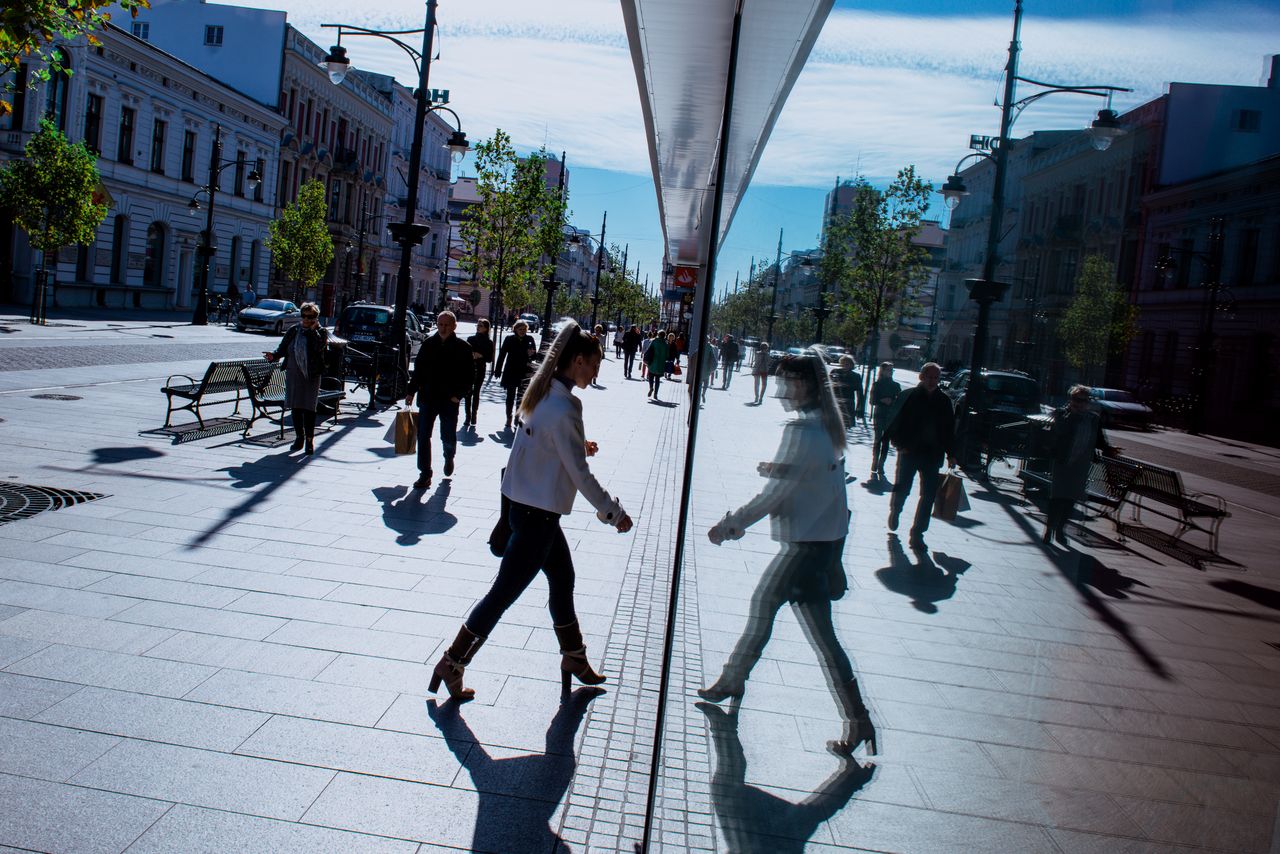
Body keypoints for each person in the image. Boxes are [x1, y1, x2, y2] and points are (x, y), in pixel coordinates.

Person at [429, 324, 635, 701]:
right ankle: (452, 662)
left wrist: (577, 446)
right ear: (577, 360)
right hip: (538, 518)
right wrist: (613, 512)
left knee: (563, 578)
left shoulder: (545, 395)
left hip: (527, 510)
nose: (596, 372)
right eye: (594, 363)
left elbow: (544, 447)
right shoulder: (564, 407)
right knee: (501, 595)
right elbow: (581, 476)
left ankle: (574, 657)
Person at [699, 350, 876, 757]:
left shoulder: (803, 433)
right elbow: (815, 486)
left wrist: (729, 526)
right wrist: (778, 469)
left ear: (805, 386)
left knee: (776, 614)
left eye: (787, 383)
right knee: (816, 636)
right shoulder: (828, 429)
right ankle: (856, 717)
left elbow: (774, 496)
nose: (781, 391)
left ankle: (733, 680)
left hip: (803, 551)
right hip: (820, 548)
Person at [883, 362, 955, 550]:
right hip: (909, 452)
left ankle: (917, 534)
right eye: (929, 377)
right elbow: (893, 422)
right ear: (921, 377)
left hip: (932, 455)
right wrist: (899, 445)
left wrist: (951, 454)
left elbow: (949, 430)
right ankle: (896, 510)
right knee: (903, 487)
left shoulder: (944, 401)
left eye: (935, 378)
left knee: (928, 495)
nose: (932, 381)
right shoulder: (908, 396)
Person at [406, 311, 473, 490]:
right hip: (428, 397)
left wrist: (458, 395)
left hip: (449, 400)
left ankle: (449, 456)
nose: (443, 328)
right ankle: (425, 473)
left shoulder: (463, 347)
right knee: (423, 435)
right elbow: (418, 369)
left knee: (448, 435)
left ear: (454, 326)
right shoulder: (428, 344)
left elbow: (469, 376)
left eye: (446, 325)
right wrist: (411, 391)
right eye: (440, 324)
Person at [1045, 384, 1114, 546]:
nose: (1080, 403)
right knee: (1057, 497)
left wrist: (1109, 448)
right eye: (1076, 399)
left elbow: (1099, 440)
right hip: (1062, 462)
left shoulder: (1093, 419)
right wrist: (1072, 416)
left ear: (1088, 402)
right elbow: (1057, 433)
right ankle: (1049, 529)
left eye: (1083, 400)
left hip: (1080, 465)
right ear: (1070, 400)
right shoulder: (1062, 414)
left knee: (1070, 499)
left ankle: (1060, 530)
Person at [263, 301, 327, 455]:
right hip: (294, 373)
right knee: (296, 407)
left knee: (309, 408)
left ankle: (310, 440)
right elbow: (282, 349)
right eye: (303, 315)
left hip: (311, 375)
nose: (306, 319)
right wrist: (273, 356)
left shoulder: (321, 332)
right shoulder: (293, 330)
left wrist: (312, 331)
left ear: (315, 317)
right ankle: (299, 437)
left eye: (309, 316)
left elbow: (318, 349)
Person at [495, 319, 538, 430]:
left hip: (524, 372)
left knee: (521, 397)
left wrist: (531, 354)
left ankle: (517, 417)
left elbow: (534, 356)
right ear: (515, 329)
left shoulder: (529, 339)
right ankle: (508, 417)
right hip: (511, 371)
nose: (522, 331)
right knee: (510, 396)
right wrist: (498, 369)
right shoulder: (509, 339)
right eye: (520, 329)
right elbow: (502, 354)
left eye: (524, 329)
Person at [869, 362, 901, 478]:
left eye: (892, 370)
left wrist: (892, 401)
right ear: (882, 371)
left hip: (890, 416)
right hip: (879, 414)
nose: (890, 372)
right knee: (878, 439)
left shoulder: (896, 385)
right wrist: (882, 400)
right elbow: (872, 401)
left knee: (886, 442)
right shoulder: (877, 384)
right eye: (888, 370)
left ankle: (881, 465)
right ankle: (875, 461)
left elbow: (899, 402)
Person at [464, 318, 495, 429]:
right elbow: (465, 354)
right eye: (478, 325)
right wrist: (472, 354)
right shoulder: (470, 339)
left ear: (486, 328)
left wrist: (481, 355)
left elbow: (489, 359)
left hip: (481, 369)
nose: (478, 327)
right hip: (470, 368)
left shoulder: (489, 342)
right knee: (468, 393)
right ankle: (467, 415)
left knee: (476, 392)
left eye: (481, 325)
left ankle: (474, 415)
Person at [830, 355, 865, 430]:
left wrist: (859, 408)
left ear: (851, 365)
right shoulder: (835, 372)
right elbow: (828, 387)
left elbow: (860, 393)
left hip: (848, 404)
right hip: (836, 403)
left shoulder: (855, 376)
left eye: (847, 364)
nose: (844, 366)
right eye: (843, 363)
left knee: (845, 426)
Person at [644, 329, 670, 398]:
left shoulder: (654, 341)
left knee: (650, 377)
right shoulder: (666, 344)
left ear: (658, 334)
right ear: (664, 336)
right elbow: (667, 355)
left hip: (652, 362)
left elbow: (648, 350)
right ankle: (656, 394)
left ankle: (651, 387)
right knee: (657, 379)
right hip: (660, 364)